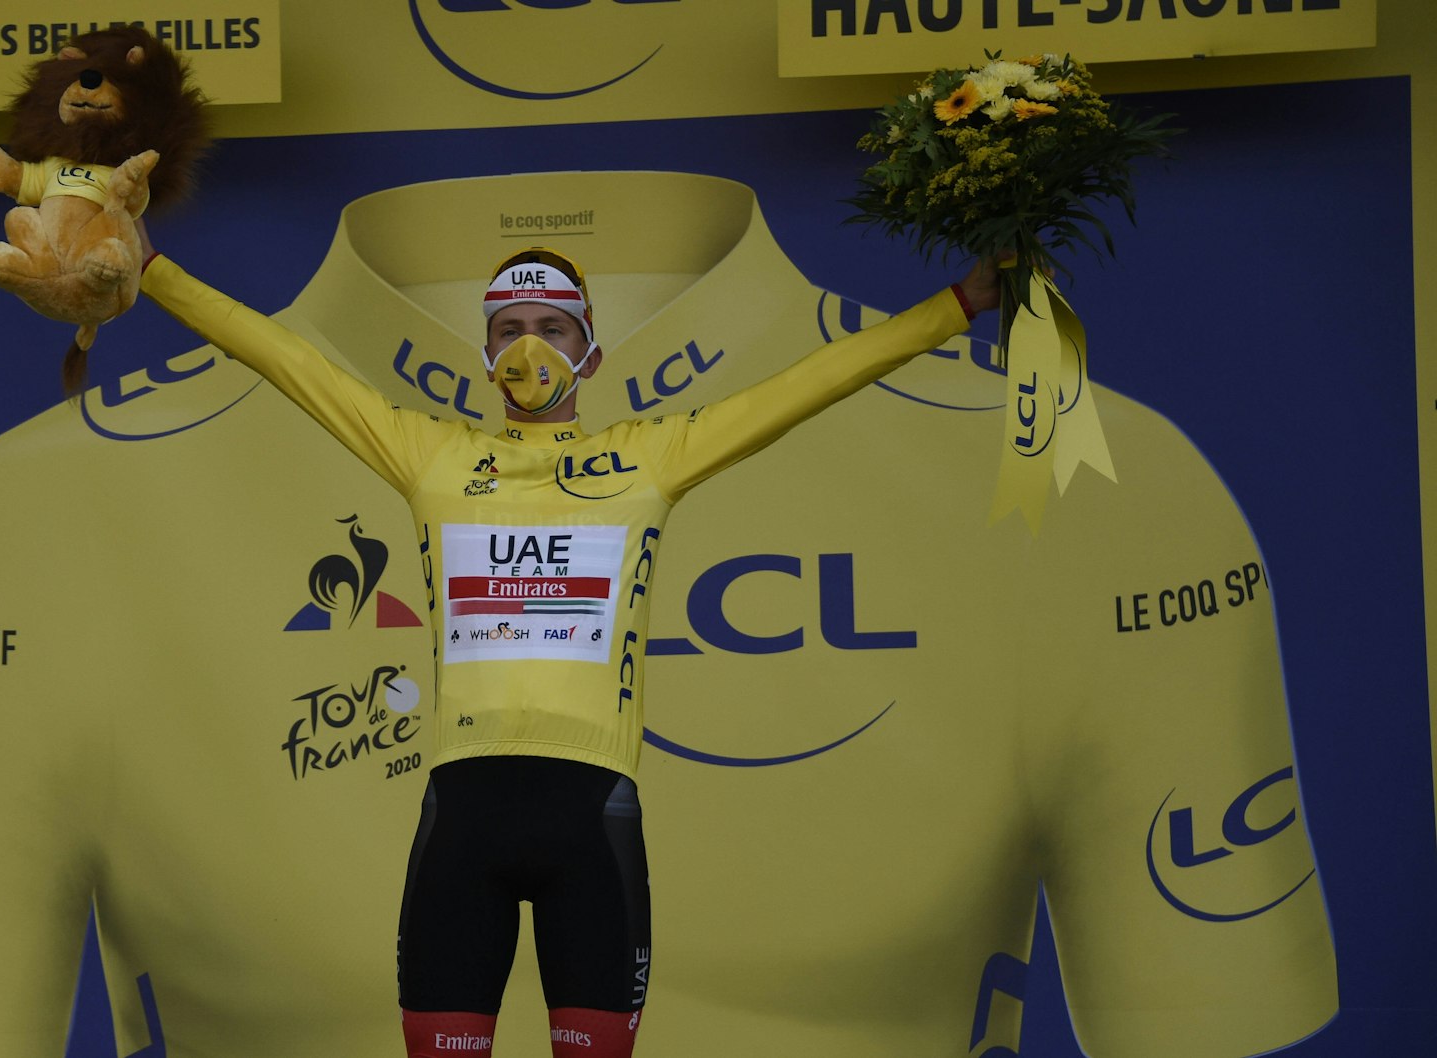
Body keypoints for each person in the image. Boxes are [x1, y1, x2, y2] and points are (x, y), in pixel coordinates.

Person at [135, 218, 1001, 1058]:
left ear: (591, 352)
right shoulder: (431, 456)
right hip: (463, 815)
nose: (528, 348)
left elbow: (811, 382)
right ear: (483, 355)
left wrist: (958, 304)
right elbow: (288, 361)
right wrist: (151, 271)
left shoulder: (649, 457)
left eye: (552, 328)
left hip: (593, 818)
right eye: (507, 329)